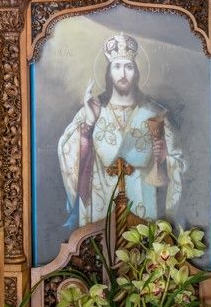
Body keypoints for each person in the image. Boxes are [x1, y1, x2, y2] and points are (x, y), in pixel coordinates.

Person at [58, 32, 184, 227]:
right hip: (101, 204)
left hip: (142, 200)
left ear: (137, 72)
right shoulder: (91, 110)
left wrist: (165, 158)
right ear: (109, 72)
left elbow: (179, 162)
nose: (123, 74)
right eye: (117, 67)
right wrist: (89, 124)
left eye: (128, 67)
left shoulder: (155, 113)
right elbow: (67, 152)